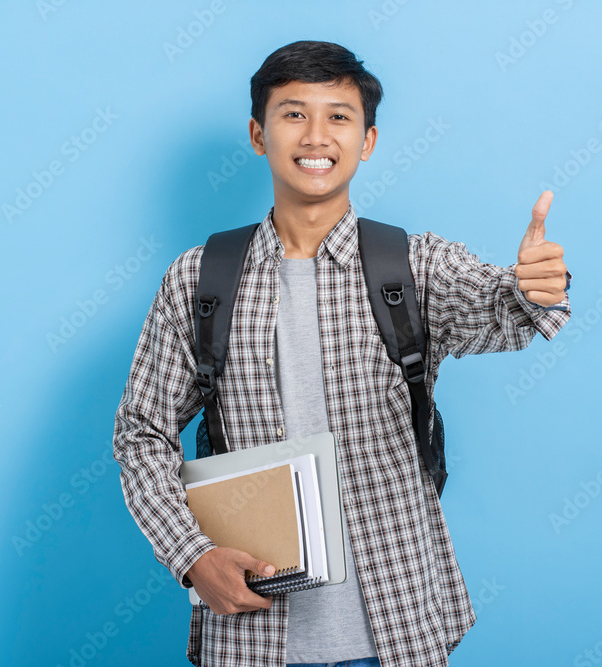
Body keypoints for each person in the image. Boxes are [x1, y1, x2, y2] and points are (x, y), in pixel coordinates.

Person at [112, 40, 571, 667]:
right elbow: (142, 432)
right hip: (253, 637)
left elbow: (500, 308)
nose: (316, 135)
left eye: (339, 116)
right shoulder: (199, 280)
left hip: (400, 627)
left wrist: (534, 288)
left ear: (368, 140)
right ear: (258, 133)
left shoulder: (411, 266)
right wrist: (191, 556)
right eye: (294, 113)